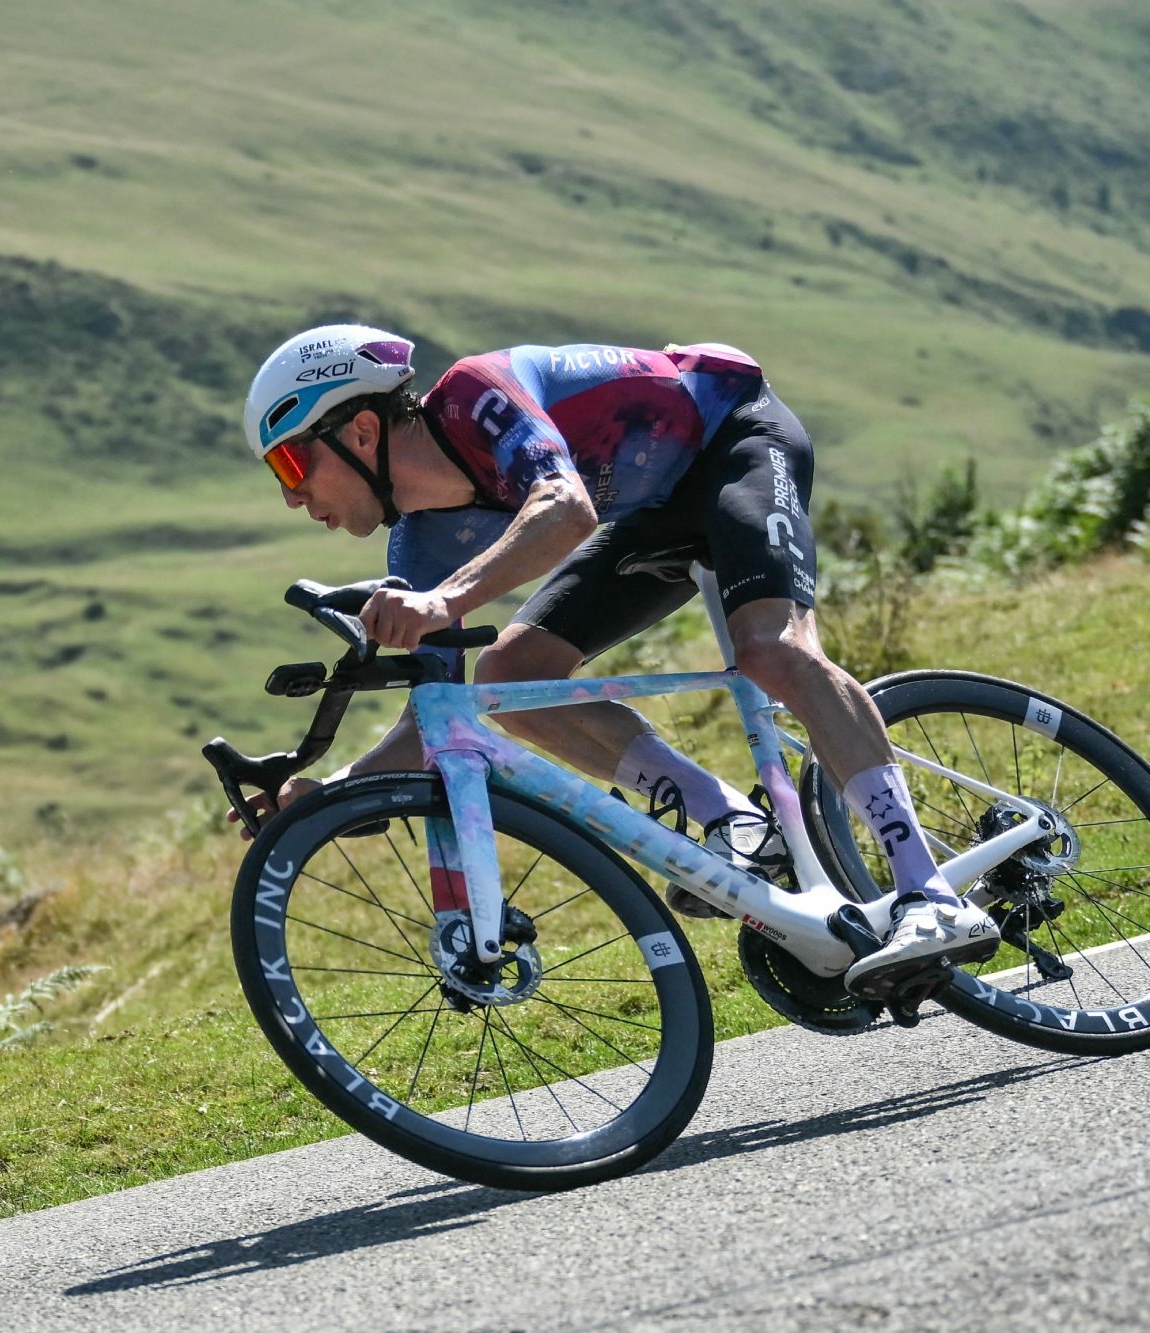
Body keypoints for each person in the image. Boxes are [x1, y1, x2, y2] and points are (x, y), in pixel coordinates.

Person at [234, 322, 998, 994]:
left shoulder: (474, 397)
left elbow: (565, 509)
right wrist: (326, 797)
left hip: (734, 437)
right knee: (506, 679)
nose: (292, 497)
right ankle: (733, 820)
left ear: (362, 432)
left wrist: (443, 602)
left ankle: (929, 894)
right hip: (656, 510)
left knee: (771, 649)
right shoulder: (420, 544)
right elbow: (427, 725)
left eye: (293, 466)